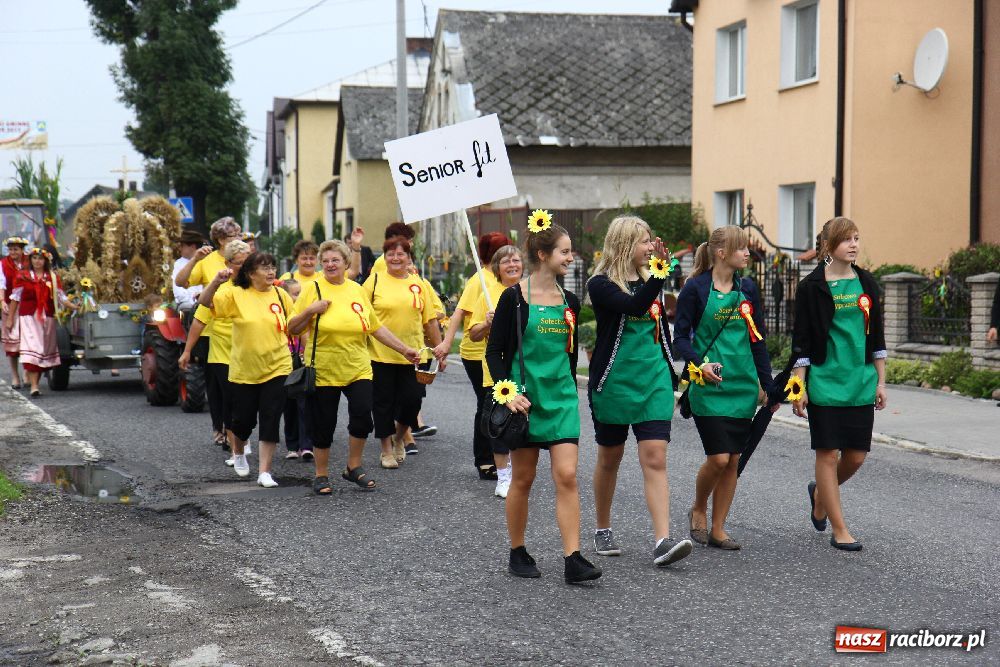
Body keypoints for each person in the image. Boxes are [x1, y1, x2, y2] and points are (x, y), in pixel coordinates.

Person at [485, 220, 602, 585]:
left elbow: (568, 357)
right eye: (564, 251)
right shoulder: (513, 298)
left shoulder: (571, 301)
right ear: (543, 255)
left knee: (567, 476)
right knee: (523, 477)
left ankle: (573, 558)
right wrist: (508, 391)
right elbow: (495, 351)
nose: (571, 257)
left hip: (562, 399)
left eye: (570, 251)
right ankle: (517, 551)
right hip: (525, 402)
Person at [587, 216, 693, 567]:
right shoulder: (600, 284)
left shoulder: (651, 280)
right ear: (624, 245)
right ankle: (602, 527)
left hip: (653, 380)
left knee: (655, 457)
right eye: (644, 242)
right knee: (610, 458)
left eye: (651, 241)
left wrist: (675, 372)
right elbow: (633, 306)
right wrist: (662, 275)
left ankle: (662, 540)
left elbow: (659, 325)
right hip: (615, 382)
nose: (650, 247)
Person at [288, 240, 421, 494]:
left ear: (346, 263)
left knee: (362, 417)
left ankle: (353, 467)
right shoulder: (312, 288)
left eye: (335, 260)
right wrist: (310, 311)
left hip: (358, 366)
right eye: (325, 260)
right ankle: (321, 474)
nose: (329, 265)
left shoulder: (356, 290)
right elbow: (292, 328)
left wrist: (404, 349)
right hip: (324, 368)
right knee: (324, 423)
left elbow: (375, 326)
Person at [673, 225, 776, 551]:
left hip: (743, 386)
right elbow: (680, 338)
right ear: (721, 253)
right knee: (718, 458)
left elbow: (757, 340)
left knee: (733, 460)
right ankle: (699, 507)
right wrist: (697, 364)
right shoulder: (696, 289)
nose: (748, 253)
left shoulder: (748, 289)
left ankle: (718, 529)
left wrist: (769, 385)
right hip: (709, 386)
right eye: (741, 248)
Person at [790, 217, 887, 552]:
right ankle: (840, 528)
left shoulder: (867, 283)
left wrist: (882, 381)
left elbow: (877, 336)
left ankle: (820, 494)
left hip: (860, 381)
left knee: (856, 457)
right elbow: (800, 341)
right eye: (846, 239)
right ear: (829, 247)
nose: (854, 245)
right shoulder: (811, 286)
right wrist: (798, 386)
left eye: (857, 238)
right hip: (825, 381)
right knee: (828, 453)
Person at [197, 251, 293, 488]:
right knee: (242, 421)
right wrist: (216, 282)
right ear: (250, 274)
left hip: (277, 365)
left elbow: (294, 324)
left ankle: (264, 472)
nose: (271, 271)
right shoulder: (235, 294)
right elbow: (204, 302)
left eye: (272, 266)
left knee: (271, 417)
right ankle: (238, 452)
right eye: (264, 268)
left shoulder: (281, 295)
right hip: (244, 369)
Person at [362, 235, 447, 469]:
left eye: (401, 254)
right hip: (379, 354)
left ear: (409, 258)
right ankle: (386, 450)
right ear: (384, 257)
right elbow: (362, 317)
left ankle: (399, 438)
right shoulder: (374, 281)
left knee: (412, 401)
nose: (396, 258)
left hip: (416, 355)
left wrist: (440, 350)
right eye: (391, 254)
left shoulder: (418, 284)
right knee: (382, 404)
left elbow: (429, 320)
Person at [434, 232, 512, 479]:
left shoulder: (505, 279)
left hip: (498, 352)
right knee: (487, 404)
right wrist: (446, 342)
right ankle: (485, 459)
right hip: (477, 352)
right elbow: (458, 312)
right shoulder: (480, 279)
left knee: (496, 403)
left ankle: (500, 455)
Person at [179, 240, 252, 462]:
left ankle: (242, 438)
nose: (245, 266)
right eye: (240, 262)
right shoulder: (218, 287)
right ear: (228, 263)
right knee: (228, 400)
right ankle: (234, 446)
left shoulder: (256, 286)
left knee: (246, 404)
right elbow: (199, 320)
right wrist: (187, 351)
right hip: (222, 351)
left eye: (247, 261)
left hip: (250, 353)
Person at [468, 244, 523, 498]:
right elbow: (474, 334)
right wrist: (487, 322)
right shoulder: (488, 295)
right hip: (497, 369)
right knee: (500, 421)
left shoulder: (529, 292)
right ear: (497, 268)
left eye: (517, 260)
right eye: (506, 262)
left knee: (522, 423)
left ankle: (520, 469)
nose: (513, 265)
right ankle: (503, 476)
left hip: (524, 368)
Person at [6, 248, 78, 397]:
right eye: (35, 258)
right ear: (30, 260)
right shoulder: (23, 276)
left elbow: (61, 297)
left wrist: (75, 306)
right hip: (28, 318)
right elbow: (15, 298)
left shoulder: (52, 277)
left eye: (40, 259)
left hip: (47, 319)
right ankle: (34, 386)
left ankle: (35, 383)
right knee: (34, 350)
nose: (37, 261)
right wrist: (10, 318)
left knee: (42, 353)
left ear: (45, 261)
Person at [1, 237, 29, 388]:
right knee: (12, 344)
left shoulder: (29, 262)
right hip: (10, 305)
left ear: (22, 250)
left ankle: (26, 372)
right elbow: (1, 284)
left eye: (16, 249)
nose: (13, 252)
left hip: (26, 305)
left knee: (26, 341)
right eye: (11, 249)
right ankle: (14, 375)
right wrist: (2, 301)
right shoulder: (3, 264)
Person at [172, 230, 205, 311]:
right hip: (187, 304)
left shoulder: (207, 261)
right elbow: (178, 292)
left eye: (182, 246)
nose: (179, 248)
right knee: (186, 308)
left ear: (193, 246)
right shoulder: (179, 264)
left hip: (206, 301)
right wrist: (193, 301)